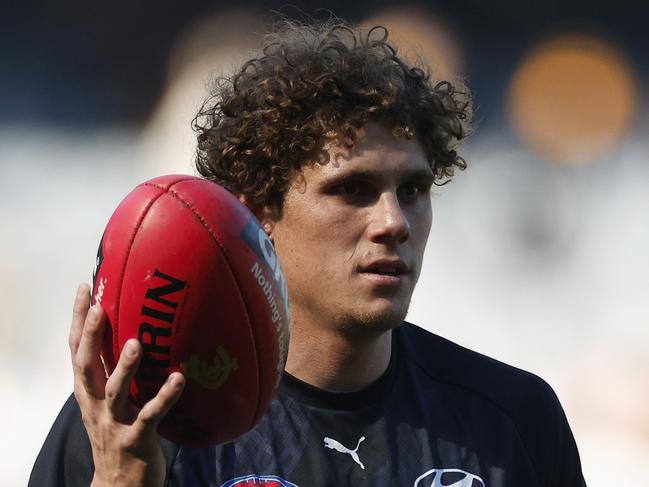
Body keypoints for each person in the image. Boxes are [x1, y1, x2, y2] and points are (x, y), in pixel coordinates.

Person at [30, 20, 586, 486]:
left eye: (412, 190)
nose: (393, 222)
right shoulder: (138, 422)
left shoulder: (512, 420)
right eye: (353, 189)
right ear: (258, 217)